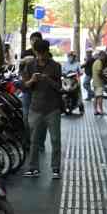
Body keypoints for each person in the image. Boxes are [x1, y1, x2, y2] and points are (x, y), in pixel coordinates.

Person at [23, 40, 64, 180]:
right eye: (38, 54)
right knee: (34, 140)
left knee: (55, 139)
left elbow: (59, 86)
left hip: (53, 108)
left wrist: (48, 80)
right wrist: (32, 81)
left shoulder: (55, 66)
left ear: (47, 51)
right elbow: (24, 86)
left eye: (43, 54)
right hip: (35, 107)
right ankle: (33, 168)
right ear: (35, 52)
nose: (40, 57)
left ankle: (56, 168)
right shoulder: (30, 66)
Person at [19, 31, 44, 111]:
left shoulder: (45, 53)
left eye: (37, 40)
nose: (34, 42)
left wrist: (33, 60)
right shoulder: (25, 53)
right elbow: (21, 70)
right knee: (26, 113)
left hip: (41, 90)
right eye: (32, 40)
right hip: (28, 88)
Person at [89, 50, 107, 116]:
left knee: (96, 97)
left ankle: (95, 110)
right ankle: (101, 110)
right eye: (104, 56)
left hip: (95, 82)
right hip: (99, 82)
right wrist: (105, 79)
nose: (105, 58)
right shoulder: (99, 62)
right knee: (100, 97)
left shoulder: (95, 62)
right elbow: (99, 73)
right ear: (101, 56)